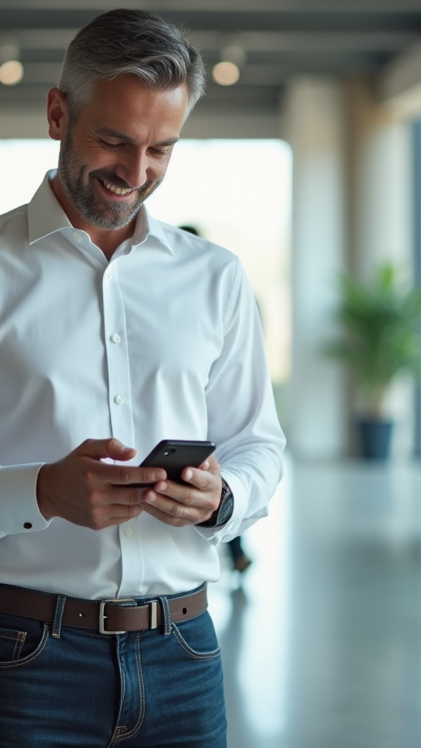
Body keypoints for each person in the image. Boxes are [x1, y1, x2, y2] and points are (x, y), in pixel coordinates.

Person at [0, 9, 285, 747]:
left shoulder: (215, 277)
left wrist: (224, 500)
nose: (136, 172)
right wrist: (38, 493)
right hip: (24, 662)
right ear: (58, 113)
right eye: (114, 141)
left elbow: (259, 446)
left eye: (162, 149)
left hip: (185, 655)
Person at [178, 224, 254, 576]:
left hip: (185, 610)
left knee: (215, 491)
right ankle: (237, 554)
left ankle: (236, 552)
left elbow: (255, 441)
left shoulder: (223, 281)